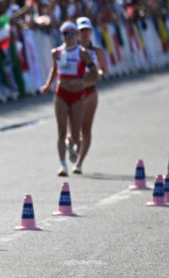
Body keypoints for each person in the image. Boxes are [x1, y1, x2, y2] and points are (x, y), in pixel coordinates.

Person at [40, 21, 98, 176]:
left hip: (78, 95)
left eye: (71, 33)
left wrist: (81, 80)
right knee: (61, 131)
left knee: (75, 134)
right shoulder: (56, 52)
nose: (68, 37)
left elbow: (95, 74)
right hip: (61, 93)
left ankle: (75, 152)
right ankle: (63, 165)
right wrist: (47, 85)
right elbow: (54, 70)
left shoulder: (82, 53)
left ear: (76, 35)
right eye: (65, 34)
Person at [71, 16, 108, 174]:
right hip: (73, 93)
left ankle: (79, 163)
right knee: (73, 129)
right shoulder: (71, 50)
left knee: (85, 128)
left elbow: (104, 70)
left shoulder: (97, 51)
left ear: (91, 32)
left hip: (90, 92)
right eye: (81, 31)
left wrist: (97, 73)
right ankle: (72, 144)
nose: (84, 34)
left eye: (87, 31)